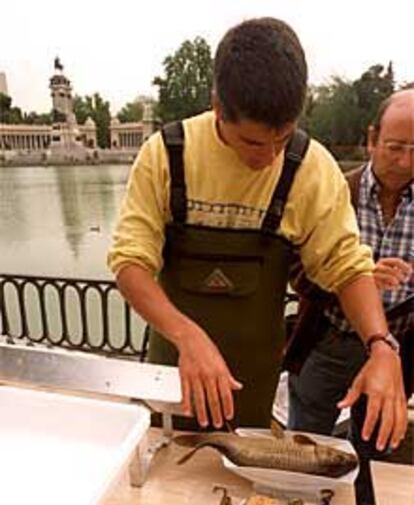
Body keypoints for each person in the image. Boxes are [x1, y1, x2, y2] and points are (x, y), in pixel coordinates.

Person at [108, 17, 406, 450]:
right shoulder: (167, 155)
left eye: (281, 139)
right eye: (251, 143)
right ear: (217, 106)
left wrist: (381, 345)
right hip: (173, 367)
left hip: (254, 377)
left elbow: (345, 265)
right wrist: (187, 336)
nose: (267, 159)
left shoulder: (311, 167)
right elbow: (130, 263)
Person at [287, 89, 414, 505]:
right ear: (372, 139)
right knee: (309, 436)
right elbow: (295, 268)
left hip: (393, 349)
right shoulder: (332, 189)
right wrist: (356, 280)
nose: (404, 160)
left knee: (371, 442)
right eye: (395, 146)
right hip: (328, 338)